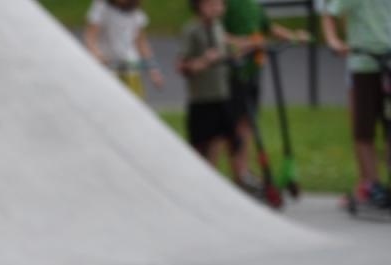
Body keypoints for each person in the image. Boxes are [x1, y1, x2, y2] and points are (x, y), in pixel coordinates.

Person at [223, 0, 311, 191]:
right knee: (235, 124)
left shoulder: (253, 6)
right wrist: (246, 44)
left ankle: (245, 170)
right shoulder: (227, 4)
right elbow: (218, 35)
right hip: (234, 73)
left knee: (248, 121)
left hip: (253, 70)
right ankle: (239, 172)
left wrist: (293, 37)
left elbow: (269, 28)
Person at [323, 0, 391, 209]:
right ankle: (372, 184)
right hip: (364, 64)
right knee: (364, 129)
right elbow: (330, 14)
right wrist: (333, 41)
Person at [179, 0, 242, 174]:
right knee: (200, 145)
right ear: (199, 6)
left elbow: (227, 48)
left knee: (231, 141)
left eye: (219, 4)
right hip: (202, 98)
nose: (216, 8)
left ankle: (232, 178)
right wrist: (204, 61)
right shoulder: (191, 30)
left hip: (222, 94)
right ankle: (199, 178)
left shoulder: (218, 27)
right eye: (211, 4)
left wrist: (233, 54)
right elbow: (182, 66)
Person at [85, 0, 165, 97]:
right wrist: (97, 53)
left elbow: (142, 43)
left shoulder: (136, 12)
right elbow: (91, 37)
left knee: (134, 103)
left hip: (130, 67)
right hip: (108, 67)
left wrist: (153, 71)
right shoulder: (101, 6)